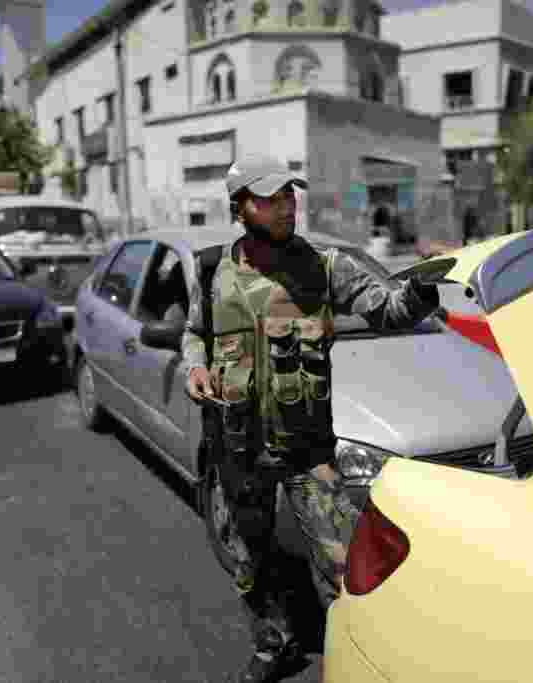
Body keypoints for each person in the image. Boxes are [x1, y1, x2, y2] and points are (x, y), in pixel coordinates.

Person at [182, 155, 440, 682]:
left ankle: (359, 662)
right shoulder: (212, 271)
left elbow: (387, 310)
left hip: (307, 449)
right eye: (271, 199)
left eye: (289, 197)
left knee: (344, 567)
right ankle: (274, 643)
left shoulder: (323, 267)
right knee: (250, 561)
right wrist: (196, 367)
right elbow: (193, 332)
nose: (286, 208)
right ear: (241, 207)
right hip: (240, 448)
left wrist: (421, 286)